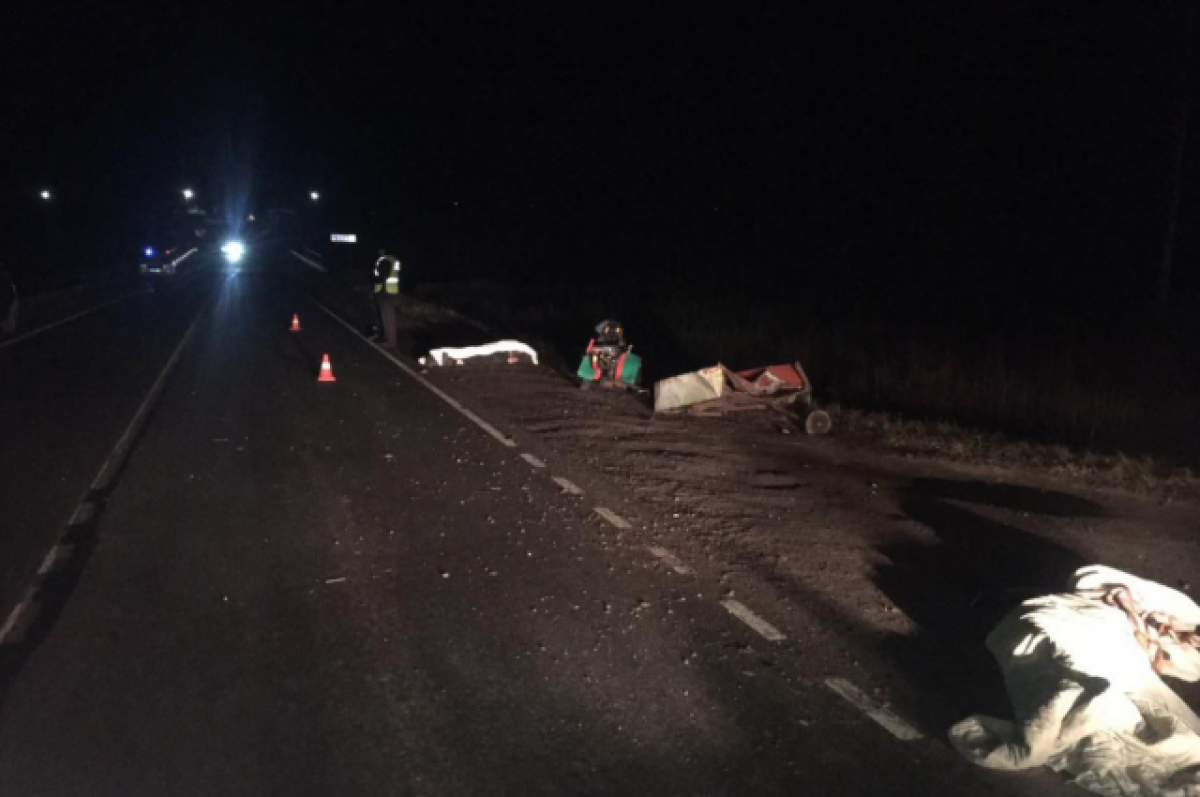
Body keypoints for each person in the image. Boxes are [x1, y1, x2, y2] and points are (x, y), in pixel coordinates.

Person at [372, 249, 402, 347]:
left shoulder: (383, 260)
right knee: (390, 317)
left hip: (384, 291)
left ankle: (390, 342)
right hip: (392, 290)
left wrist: (373, 279)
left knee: (386, 317)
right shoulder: (394, 260)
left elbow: (381, 276)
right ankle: (391, 341)